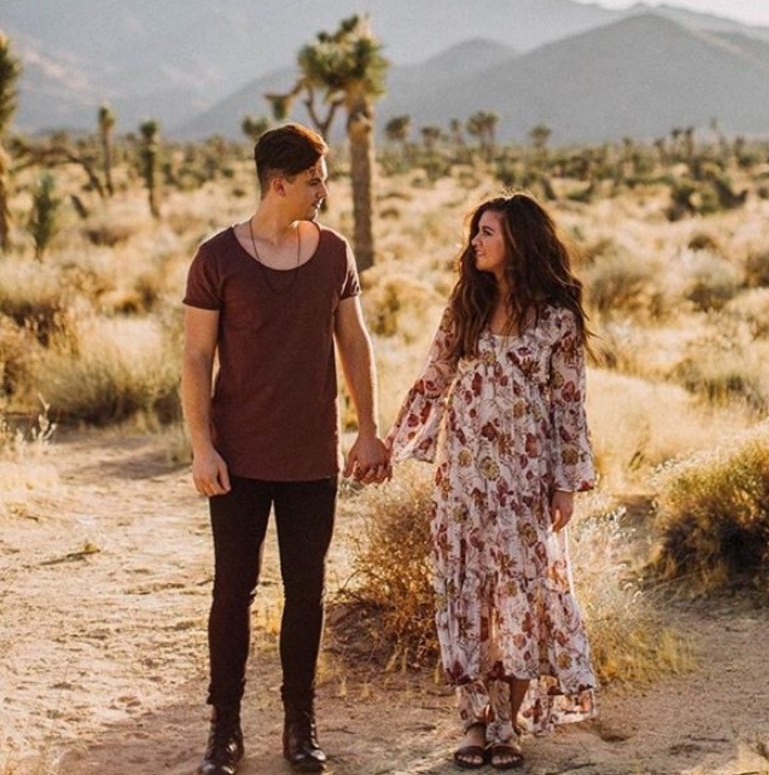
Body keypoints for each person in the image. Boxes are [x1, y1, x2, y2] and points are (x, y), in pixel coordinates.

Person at [181, 123, 390, 775]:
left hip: (311, 459)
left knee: (307, 592)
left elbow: (354, 342)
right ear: (280, 184)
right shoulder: (218, 257)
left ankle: (300, 726)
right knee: (233, 593)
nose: (323, 191)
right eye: (314, 180)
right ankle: (225, 731)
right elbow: (195, 356)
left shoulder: (334, 253)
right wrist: (201, 447)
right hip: (238, 459)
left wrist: (368, 427)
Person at [386, 191, 597, 771]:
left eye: (487, 233)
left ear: (518, 243)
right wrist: (391, 444)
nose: (475, 242)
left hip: (524, 479)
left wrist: (565, 484)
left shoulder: (557, 318)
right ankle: (476, 722)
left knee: (522, 599)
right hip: (463, 479)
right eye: (475, 232)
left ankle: (510, 724)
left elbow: (569, 406)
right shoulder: (467, 308)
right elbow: (431, 382)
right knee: (467, 596)